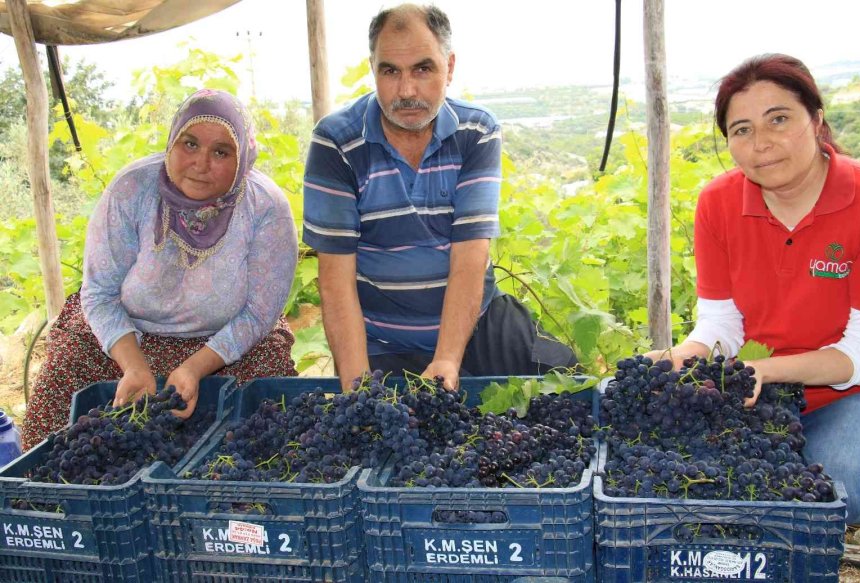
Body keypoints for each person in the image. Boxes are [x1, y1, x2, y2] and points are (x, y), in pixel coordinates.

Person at [646, 54, 860, 572]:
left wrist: (761, 370)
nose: (760, 143)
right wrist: (683, 355)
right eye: (742, 129)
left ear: (817, 119)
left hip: (859, 387)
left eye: (778, 119)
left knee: (843, 487)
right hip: (758, 386)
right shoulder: (718, 204)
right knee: (706, 481)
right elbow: (722, 325)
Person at [302, 3, 578, 390]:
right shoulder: (337, 142)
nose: (406, 90)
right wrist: (359, 390)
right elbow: (335, 282)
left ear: (449, 67)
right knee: (394, 436)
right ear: (373, 69)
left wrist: (448, 357)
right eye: (390, 72)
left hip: (476, 322)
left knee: (566, 386)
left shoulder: (476, 132)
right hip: (384, 342)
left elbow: (470, 257)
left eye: (423, 69)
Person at [22, 89, 300, 450]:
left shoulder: (266, 208)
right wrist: (134, 367)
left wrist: (196, 368)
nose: (201, 163)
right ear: (171, 143)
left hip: (226, 346)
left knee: (271, 424)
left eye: (221, 152)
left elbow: (260, 313)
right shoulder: (132, 189)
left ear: (243, 158)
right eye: (189, 144)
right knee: (59, 400)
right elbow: (99, 293)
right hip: (126, 338)